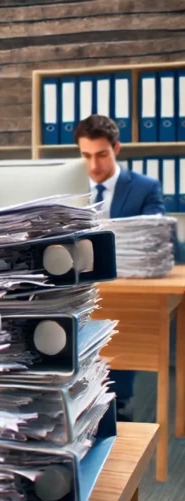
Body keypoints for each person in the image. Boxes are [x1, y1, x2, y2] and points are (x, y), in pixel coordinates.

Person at [74, 114, 165, 421]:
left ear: (117, 148)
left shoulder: (144, 188)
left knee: (125, 323)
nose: (94, 165)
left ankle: (118, 401)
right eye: (86, 155)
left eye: (102, 154)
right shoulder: (68, 189)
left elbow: (154, 237)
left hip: (127, 287)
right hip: (80, 285)